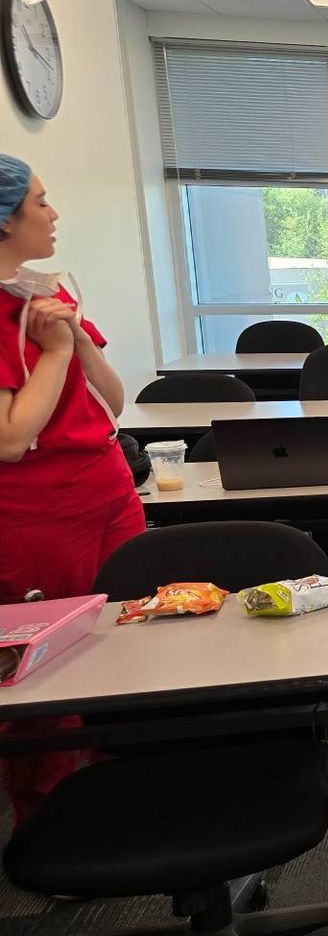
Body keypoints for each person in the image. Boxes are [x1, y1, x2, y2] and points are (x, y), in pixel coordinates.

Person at [0, 155, 142, 828]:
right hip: (37, 511)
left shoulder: (45, 300)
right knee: (47, 665)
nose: (53, 213)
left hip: (107, 487)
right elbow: (10, 438)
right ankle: (50, 820)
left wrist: (76, 341)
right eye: (40, 201)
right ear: (5, 221)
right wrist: (54, 354)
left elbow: (113, 399)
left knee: (126, 634)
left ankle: (123, 777)